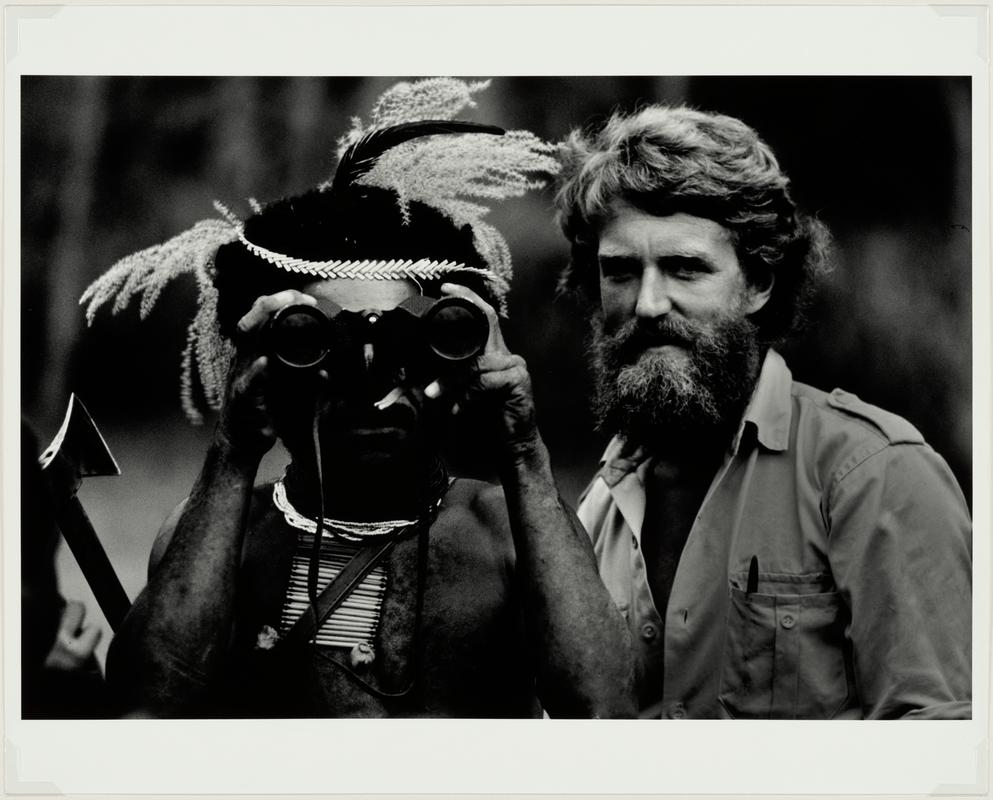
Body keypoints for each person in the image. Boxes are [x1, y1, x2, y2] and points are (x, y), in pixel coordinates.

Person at [84, 78, 634, 718]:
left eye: (408, 346)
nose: (374, 384)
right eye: (327, 348)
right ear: (271, 360)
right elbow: (148, 713)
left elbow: (601, 710)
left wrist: (523, 449)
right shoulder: (216, 535)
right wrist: (234, 448)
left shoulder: (507, 530)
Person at [554, 104, 972, 719]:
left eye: (685, 268)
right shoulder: (598, 510)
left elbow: (942, 745)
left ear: (759, 283)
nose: (646, 303)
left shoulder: (872, 473)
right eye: (619, 271)